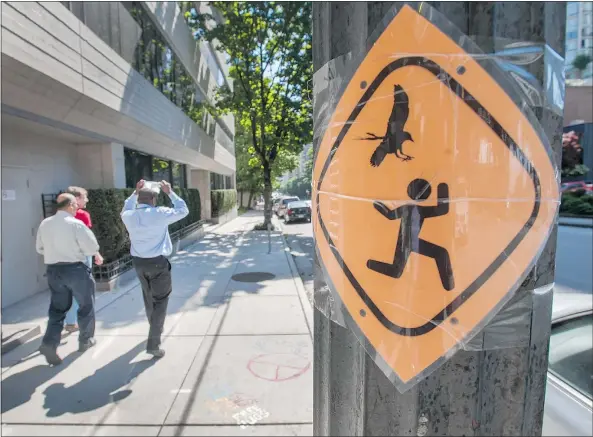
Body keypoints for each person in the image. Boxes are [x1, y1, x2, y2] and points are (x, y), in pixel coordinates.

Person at [121, 180, 189, 358]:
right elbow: (183, 210)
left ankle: (154, 326)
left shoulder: (129, 215)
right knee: (161, 300)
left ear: (139, 199)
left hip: (139, 263)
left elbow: (126, 207)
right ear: (153, 198)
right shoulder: (160, 213)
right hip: (157, 262)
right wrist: (170, 192)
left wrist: (135, 192)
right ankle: (154, 342)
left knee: (148, 297)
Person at [36, 193, 100, 365]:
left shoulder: (45, 224)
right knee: (86, 305)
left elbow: (40, 248)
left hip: (54, 271)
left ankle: (49, 343)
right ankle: (85, 340)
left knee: (57, 309)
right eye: (75, 206)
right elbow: (92, 247)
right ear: (71, 205)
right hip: (75, 269)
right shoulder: (76, 224)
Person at [63, 186, 104, 333]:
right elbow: (87, 239)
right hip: (82, 256)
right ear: (77, 199)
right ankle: (81, 324)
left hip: (63, 257)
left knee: (67, 290)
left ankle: (69, 321)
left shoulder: (59, 216)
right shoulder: (83, 215)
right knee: (82, 290)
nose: (87, 200)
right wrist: (96, 253)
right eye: (84, 197)